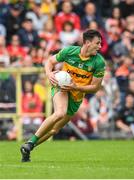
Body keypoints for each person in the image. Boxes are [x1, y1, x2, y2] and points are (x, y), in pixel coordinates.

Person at [20, 29, 106, 162]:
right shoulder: (70, 51)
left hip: (77, 95)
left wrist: (76, 87)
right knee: (60, 113)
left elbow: (95, 88)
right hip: (62, 88)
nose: (100, 47)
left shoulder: (99, 62)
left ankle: (29, 146)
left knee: (54, 130)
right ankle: (30, 142)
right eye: (98, 43)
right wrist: (49, 73)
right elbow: (49, 61)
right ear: (88, 43)